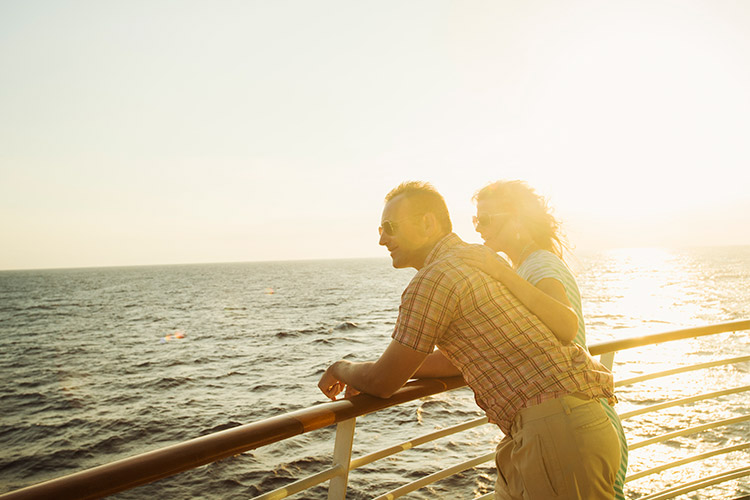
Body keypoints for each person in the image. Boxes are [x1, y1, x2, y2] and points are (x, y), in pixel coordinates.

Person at [318, 181, 621, 499]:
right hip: (560, 428)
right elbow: (466, 356)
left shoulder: (434, 280)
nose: (382, 239)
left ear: (427, 223)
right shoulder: (476, 260)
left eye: (390, 227)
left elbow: (383, 382)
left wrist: (342, 368)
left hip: (554, 435)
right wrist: (404, 367)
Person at [463, 180, 628, 500]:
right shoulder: (524, 266)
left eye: (487, 219)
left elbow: (565, 323)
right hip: (568, 422)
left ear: (518, 220)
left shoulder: (539, 265)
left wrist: (499, 273)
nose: (479, 228)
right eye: (476, 220)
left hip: (574, 425)